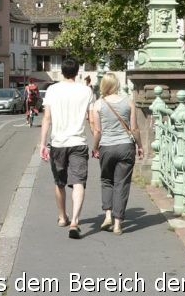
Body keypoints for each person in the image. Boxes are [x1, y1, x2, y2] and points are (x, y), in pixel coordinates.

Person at [39, 58, 94, 239]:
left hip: (58, 143)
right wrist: (97, 142)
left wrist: (42, 143)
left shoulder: (52, 90)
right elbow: (92, 119)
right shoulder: (86, 91)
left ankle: (62, 217)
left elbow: (47, 118)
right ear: (77, 72)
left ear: (62, 72)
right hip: (78, 142)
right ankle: (75, 221)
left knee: (59, 182)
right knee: (79, 182)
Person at [90, 72, 144, 235]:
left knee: (106, 180)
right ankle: (118, 223)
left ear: (103, 85)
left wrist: (95, 147)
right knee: (122, 183)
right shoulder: (129, 102)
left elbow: (97, 131)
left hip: (107, 146)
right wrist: (140, 146)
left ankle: (107, 215)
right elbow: (134, 128)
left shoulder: (98, 104)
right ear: (117, 85)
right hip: (126, 146)